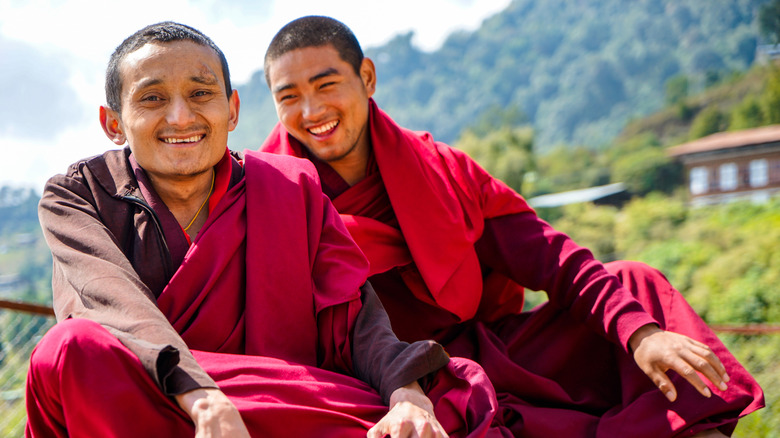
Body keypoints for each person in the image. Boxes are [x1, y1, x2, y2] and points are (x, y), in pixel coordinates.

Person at [258, 16, 765, 437]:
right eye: (289, 97)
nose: (312, 110)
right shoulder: (270, 196)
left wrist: (639, 333)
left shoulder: (442, 169)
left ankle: (698, 428)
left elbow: (552, 258)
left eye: (326, 85)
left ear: (367, 77)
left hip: (487, 351)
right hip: (373, 383)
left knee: (637, 286)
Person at [25, 21, 507, 438]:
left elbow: (353, 318)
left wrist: (404, 391)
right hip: (150, 399)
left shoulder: (288, 187)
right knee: (70, 350)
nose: (181, 117)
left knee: (434, 411)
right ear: (113, 122)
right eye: (152, 98)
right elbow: (116, 305)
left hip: (278, 403)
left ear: (232, 109)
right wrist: (204, 398)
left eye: (200, 94)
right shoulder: (79, 195)